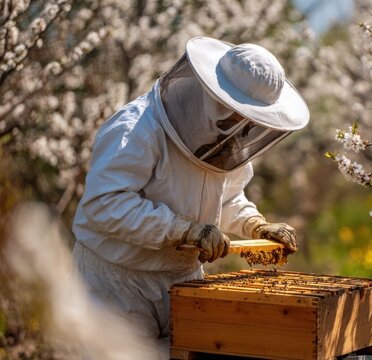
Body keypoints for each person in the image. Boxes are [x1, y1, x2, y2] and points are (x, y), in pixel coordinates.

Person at [72, 36, 309, 356]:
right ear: (217, 100)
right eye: (240, 115)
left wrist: (255, 225)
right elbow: (105, 203)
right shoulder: (137, 127)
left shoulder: (227, 138)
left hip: (182, 279)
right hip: (115, 282)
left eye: (251, 119)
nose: (244, 127)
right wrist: (183, 229)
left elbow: (226, 197)